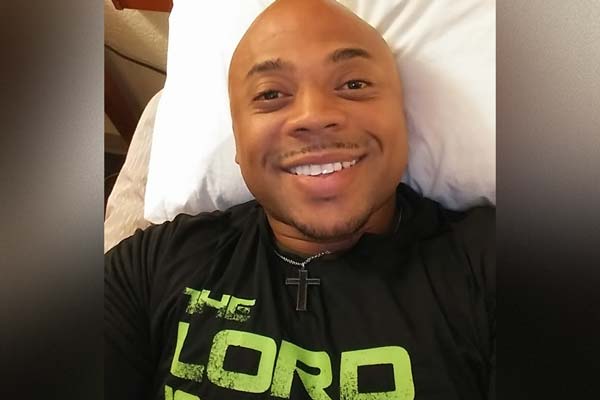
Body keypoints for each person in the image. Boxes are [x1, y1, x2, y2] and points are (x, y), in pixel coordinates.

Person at [104, 0, 495, 399]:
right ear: (237, 141)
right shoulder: (150, 269)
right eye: (271, 93)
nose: (314, 115)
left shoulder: (485, 266)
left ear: (402, 117)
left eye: (354, 85)